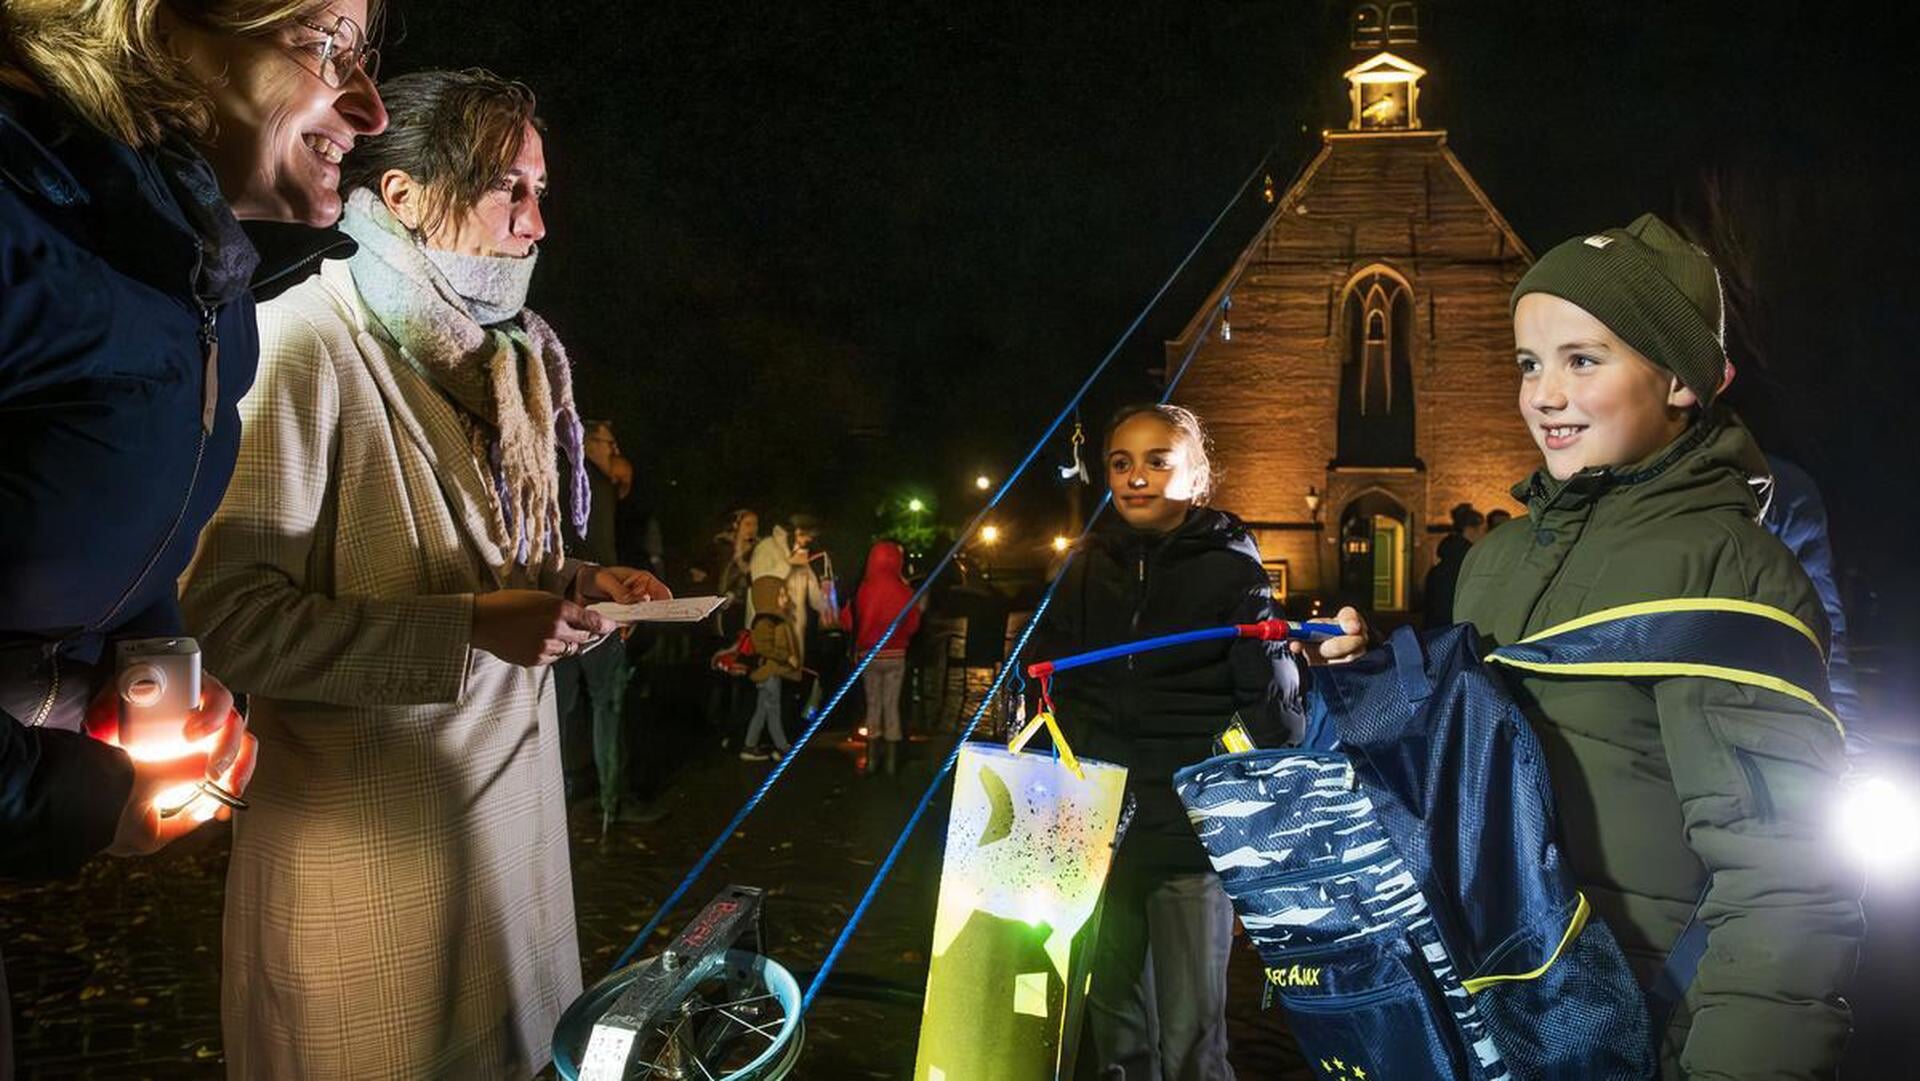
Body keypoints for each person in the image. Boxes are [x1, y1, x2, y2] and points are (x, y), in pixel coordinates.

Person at [179, 69, 667, 1079]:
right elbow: (230, 621)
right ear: (403, 195)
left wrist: (578, 584)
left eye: (542, 194)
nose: (536, 226)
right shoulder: (302, 344)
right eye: (510, 191)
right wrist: (472, 628)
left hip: (514, 884)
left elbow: (490, 562)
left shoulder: (510, 365)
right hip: (371, 902)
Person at [1312, 214, 1861, 1078]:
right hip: (1494, 1012)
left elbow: (1787, 886)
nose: (1543, 394)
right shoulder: (1494, 560)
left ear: (1679, 379)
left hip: (1645, 1025)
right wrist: (1375, 692)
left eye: (1583, 359)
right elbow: (1474, 772)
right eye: (1530, 363)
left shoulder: (1733, 568)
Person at [0, 2, 382, 1072]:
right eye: (326, 46)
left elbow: (103, 523)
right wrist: (69, 800)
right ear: (155, 25)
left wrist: (151, 667)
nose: (368, 104)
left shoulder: (206, 283)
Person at [1031, 403, 1305, 1081]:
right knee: (1113, 1018)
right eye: (1121, 463)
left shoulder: (1231, 567)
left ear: (1198, 473)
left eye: (1158, 461)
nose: (1136, 478)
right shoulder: (1086, 566)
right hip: (1099, 825)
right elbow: (1050, 684)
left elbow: (1273, 710)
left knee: (1191, 1033)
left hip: (1189, 832)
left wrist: (1277, 662)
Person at [553, 421, 664, 831]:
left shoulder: (556, 476)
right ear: (586, 442)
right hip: (596, 611)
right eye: (608, 442)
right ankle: (612, 804)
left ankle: (557, 796)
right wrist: (621, 605)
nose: (613, 450)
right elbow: (600, 553)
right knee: (608, 706)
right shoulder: (593, 482)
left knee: (559, 710)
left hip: (555, 609)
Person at [841, 540, 923, 775]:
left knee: (873, 704)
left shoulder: (864, 589)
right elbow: (913, 624)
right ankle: (891, 762)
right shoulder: (903, 589)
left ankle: (872, 757)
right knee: (892, 705)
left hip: (869, 655)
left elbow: (847, 621)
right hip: (896, 654)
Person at [741, 579, 802, 761]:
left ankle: (750, 746)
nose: (785, 598)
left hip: (770, 672)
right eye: (781, 595)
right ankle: (781, 747)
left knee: (763, 710)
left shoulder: (773, 620)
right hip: (769, 672)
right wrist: (786, 657)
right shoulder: (765, 622)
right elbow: (764, 647)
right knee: (772, 711)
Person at [1422, 501, 1482, 627]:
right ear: (1470, 530)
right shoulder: (1468, 563)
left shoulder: (1441, 565)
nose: (1484, 535)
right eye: (1482, 529)